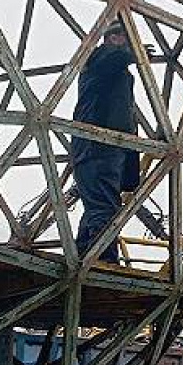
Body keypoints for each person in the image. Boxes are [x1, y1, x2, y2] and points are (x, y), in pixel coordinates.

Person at [73, 21, 141, 264]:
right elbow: (112, 59)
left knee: (98, 205)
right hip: (97, 146)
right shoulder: (99, 59)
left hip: (110, 147)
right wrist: (132, 54)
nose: (121, 41)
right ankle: (104, 262)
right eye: (117, 36)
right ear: (108, 39)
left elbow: (125, 113)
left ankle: (85, 255)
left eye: (124, 37)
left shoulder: (119, 73)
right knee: (103, 206)